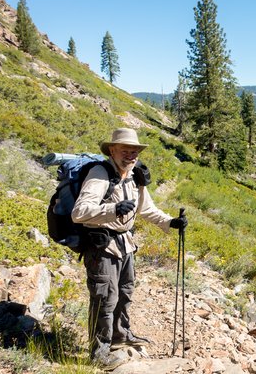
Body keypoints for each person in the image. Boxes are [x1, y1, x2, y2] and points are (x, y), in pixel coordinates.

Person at [72, 128, 187, 370]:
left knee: (124, 293)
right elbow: (79, 213)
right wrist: (112, 210)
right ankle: (99, 354)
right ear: (112, 150)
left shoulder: (134, 176)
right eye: (125, 150)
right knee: (105, 299)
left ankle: (120, 337)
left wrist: (169, 222)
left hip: (125, 245)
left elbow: (146, 209)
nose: (131, 155)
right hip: (101, 246)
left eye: (134, 151)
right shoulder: (99, 174)